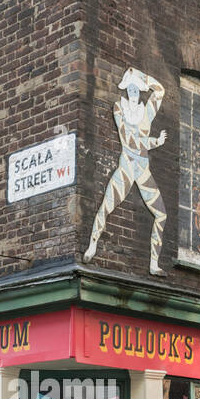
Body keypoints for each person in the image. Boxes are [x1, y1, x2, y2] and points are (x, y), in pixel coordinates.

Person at [83, 67, 168, 275]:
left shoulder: (146, 113)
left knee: (161, 214)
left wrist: (142, 76)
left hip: (142, 168)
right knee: (106, 205)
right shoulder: (118, 108)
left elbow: (160, 92)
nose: (133, 92)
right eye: (129, 88)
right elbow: (127, 140)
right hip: (127, 166)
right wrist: (155, 141)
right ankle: (92, 245)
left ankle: (153, 264)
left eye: (136, 88)